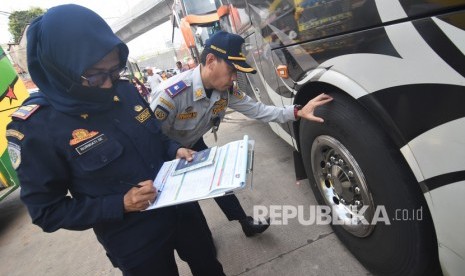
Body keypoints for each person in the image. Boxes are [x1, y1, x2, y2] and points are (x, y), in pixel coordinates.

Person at [6, 5, 224, 276]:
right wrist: (120, 203)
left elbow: (156, 136)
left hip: (183, 211)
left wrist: (175, 148)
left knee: (210, 267)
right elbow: (46, 212)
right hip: (134, 238)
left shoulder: (125, 91)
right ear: (61, 68)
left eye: (114, 70)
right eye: (96, 75)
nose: (109, 84)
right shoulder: (37, 127)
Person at [150, 31, 333, 237]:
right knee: (183, 206)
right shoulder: (171, 96)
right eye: (231, 70)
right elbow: (150, 139)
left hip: (192, 143)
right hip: (165, 153)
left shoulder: (226, 91)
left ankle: (244, 222)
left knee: (219, 184)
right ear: (211, 61)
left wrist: (297, 111)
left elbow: (259, 110)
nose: (234, 77)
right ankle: (198, 239)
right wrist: (173, 152)